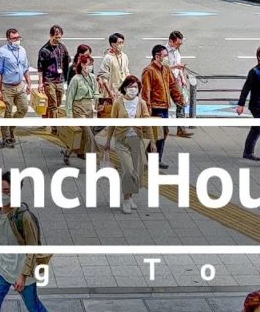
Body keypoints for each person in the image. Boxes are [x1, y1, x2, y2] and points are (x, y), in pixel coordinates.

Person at [0, 172, 52, 312]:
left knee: (33, 307)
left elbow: (32, 249)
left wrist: (23, 276)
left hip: (22, 271)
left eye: (6, 191)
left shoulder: (24, 217)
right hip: (1, 268)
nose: (1, 195)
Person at [104, 75, 152, 214]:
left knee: (136, 171)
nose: (133, 89)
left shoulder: (141, 103)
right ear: (125, 88)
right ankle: (125, 199)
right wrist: (108, 140)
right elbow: (112, 123)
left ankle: (130, 196)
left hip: (137, 140)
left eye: (135, 87)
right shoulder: (118, 103)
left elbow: (148, 123)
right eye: (130, 87)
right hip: (121, 140)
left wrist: (153, 141)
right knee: (128, 170)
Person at [141, 45, 186, 171]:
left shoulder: (166, 69)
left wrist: (179, 99)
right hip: (155, 107)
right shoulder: (149, 71)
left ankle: (154, 156)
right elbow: (146, 91)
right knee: (159, 133)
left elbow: (173, 85)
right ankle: (154, 158)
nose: (166, 58)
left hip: (165, 106)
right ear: (157, 56)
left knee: (163, 133)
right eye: (165, 56)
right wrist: (147, 109)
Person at [0, 28, 32, 147]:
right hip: (7, 87)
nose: (17, 40)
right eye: (14, 38)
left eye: (18, 38)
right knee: (7, 113)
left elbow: (25, 68)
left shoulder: (22, 50)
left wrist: (29, 83)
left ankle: (11, 127)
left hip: (20, 85)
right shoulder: (2, 52)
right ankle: (6, 137)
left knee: (24, 108)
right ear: (8, 39)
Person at [63, 52, 99, 165]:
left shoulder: (92, 77)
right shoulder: (76, 79)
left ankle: (68, 152)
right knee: (90, 136)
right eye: (88, 64)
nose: (90, 67)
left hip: (89, 109)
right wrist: (69, 115)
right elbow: (69, 98)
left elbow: (96, 92)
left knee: (82, 136)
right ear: (82, 65)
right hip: (78, 109)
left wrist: (98, 102)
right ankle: (92, 159)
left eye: (91, 64)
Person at [37, 25, 70, 120]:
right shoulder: (44, 50)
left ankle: (45, 115)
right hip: (49, 80)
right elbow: (40, 68)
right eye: (56, 37)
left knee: (58, 103)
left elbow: (67, 61)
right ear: (51, 35)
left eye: (59, 37)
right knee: (53, 105)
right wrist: (40, 83)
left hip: (60, 80)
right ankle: (54, 125)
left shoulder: (62, 47)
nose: (58, 39)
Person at [166, 30, 194, 135]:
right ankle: (163, 129)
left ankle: (181, 129)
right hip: (165, 81)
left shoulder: (177, 51)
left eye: (180, 44)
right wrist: (175, 66)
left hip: (175, 80)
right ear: (171, 41)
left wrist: (182, 78)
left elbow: (179, 65)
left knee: (181, 103)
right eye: (177, 43)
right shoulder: (163, 51)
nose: (179, 46)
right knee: (164, 104)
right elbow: (162, 68)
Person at [97, 33, 130, 98]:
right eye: (119, 43)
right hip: (112, 93)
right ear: (113, 44)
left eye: (122, 42)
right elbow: (104, 78)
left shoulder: (124, 56)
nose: (121, 45)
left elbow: (127, 73)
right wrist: (110, 93)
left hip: (122, 91)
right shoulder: (108, 58)